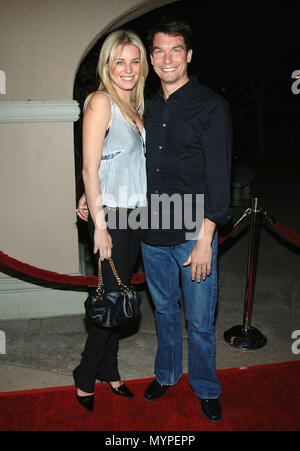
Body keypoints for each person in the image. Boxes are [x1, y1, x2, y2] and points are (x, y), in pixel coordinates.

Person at [77, 19, 232, 423]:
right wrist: (93, 194)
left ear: (189, 55)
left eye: (175, 50)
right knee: (162, 311)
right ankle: (166, 374)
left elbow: (219, 179)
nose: (166, 59)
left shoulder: (211, 106)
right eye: (159, 51)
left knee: (199, 320)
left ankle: (205, 386)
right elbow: (118, 158)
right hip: (149, 228)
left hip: (192, 231)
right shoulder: (146, 105)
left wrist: (205, 238)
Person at [73, 29, 148, 412]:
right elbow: (88, 165)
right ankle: (85, 374)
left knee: (118, 296)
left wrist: (91, 190)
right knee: (111, 298)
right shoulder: (102, 101)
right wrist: (100, 226)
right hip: (112, 219)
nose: (128, 68)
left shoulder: (133, 107)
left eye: (135, 60)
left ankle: (111, 370)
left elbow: (112, 160)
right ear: (107, 64)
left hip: (132, 215)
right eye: (120, 60)